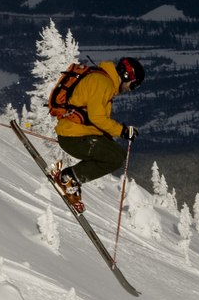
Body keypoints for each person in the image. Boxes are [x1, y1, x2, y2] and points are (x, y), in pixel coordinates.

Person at [52, 56, 145, 212]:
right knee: (115, 157)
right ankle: (69, 178)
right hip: (73, 137)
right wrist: (121, 131)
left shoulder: (102, 80)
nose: (131, 89)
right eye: (133, 84)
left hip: (76, 134)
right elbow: (97, 118)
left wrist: (118, 132)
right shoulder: (103, 83)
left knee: (117, 153)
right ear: (126, 76)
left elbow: (93, 117)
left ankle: (71, 178)